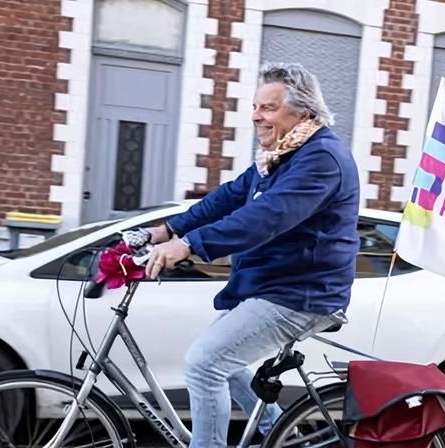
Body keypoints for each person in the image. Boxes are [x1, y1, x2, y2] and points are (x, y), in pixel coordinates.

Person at [141, 62, 360, 448]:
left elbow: (265, 217)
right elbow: (228, 198)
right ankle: (280, 434)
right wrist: (167, 229)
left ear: (302, 111)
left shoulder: (321, 158)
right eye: (256, 106)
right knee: (228, 364)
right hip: (271, 284)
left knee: (206, 363)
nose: (256, 116)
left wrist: (190, 245)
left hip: (300, 293)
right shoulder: (280, 155)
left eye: (268, 107)